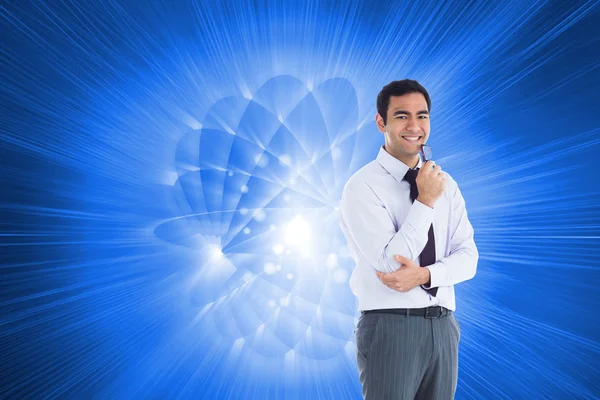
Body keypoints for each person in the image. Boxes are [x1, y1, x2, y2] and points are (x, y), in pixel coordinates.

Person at [339, 79, 478, 399]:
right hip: (391, 327)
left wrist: (427, 275)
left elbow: (468, 256)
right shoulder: (362, 186)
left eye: (423, 116)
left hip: (443, 327)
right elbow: (389, 262)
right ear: (381, 122)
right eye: (402, 116)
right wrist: (425, 201)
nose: (414, 126)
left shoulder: (446, 184)